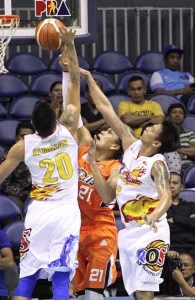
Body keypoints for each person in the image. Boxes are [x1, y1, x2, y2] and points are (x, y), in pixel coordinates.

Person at [0, 27, 81, 300]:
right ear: (55, 120)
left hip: (38, 212)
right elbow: (73, 81)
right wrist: (69, 45)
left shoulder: (24, 145)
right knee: (61, 276)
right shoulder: (69, 127)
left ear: (33, 126)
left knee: (28, 274)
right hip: (66, 213)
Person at [80, 68, 180, 300]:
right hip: (129, 233)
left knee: (145, 292)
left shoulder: (157, 163)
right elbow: (106, 108)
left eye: (153, 129)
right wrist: (88, 78)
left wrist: (155, 215)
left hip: (151, 233)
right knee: (136, 293)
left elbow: (165, 194)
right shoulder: (131, 146)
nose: (149, 127)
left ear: (156, 142)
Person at [61, 51, 122, 300]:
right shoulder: (84, 144)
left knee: (94, 293)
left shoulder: (116, 167)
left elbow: (108, 197)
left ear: (115, 146)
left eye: (108, 133)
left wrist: (93, 165)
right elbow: (71, 109)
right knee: (76, 292)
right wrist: (68, 69)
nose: (102, 132)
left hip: (101, 231)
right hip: (76, 229)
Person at [0, 121, 35, 210]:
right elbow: (4, 184)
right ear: (16, 138)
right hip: (18, 196)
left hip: (38, 193)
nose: (26, 140)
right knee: (11, 207)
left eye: (29, 137)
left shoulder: (41, 154)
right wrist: (22, 194)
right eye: (22, 136)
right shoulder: (8, 157)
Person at [167, 172, 195, 260]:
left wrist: (176, 219)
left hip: (192, 247)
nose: (171, 186)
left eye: (175, 183)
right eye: (168, 183)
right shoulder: (157, 208)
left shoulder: (191, 206)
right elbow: (162, 228)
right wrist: (187, 222)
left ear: (181, 187)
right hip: (170, 249)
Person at [167, 103, 195, 174]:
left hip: (189, 166)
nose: (177, 115)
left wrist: (175, 149)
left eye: (181, 113)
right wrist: (186, 153)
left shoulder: (189, 133)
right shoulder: (163, 133)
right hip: (169, 167)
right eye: (174, 112)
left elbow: (194, 151)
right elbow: (164, 152)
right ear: (169, 116)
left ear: (184, 117)